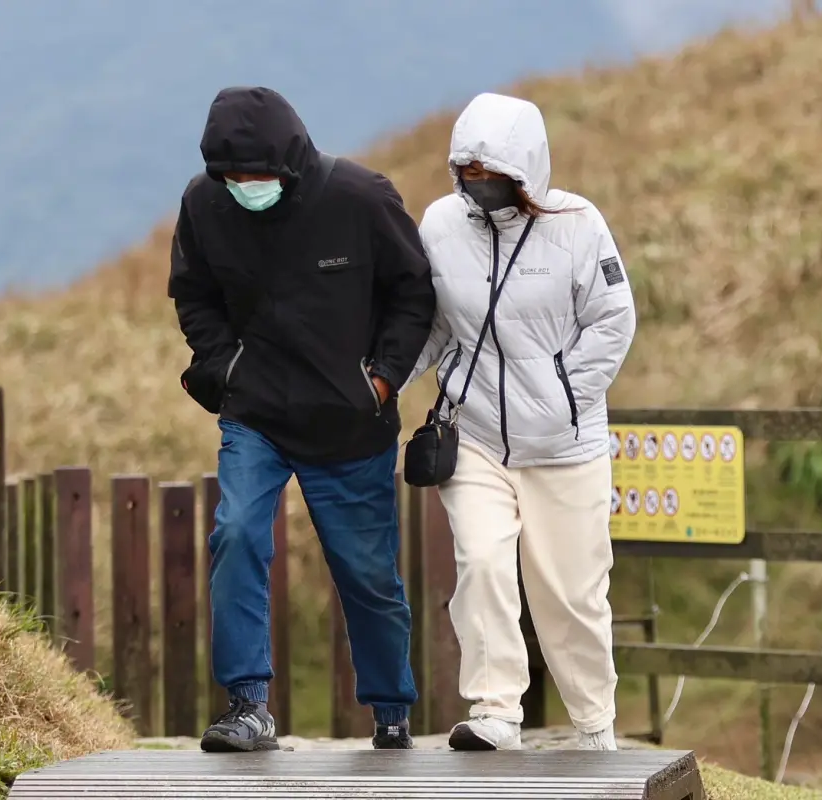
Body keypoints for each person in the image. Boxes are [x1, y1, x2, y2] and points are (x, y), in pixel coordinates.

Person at [167, 86, 436, 752]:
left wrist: (380, 381)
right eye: (231, 177)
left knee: (367, 572)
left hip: (349, 420)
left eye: (255, 176)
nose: (243, 187)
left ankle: (391, 710)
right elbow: (193, 293)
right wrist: (224, 366)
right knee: (234, 535)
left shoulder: (360, 197)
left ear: (288, 163)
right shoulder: (204, 202)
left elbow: (414, 294)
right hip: (255, 413)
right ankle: (246, 705)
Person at [402, 92, 637, 751]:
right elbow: (435, 324)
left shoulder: (578, 225)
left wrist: (563, 397)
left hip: (565, 446)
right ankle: (496, 711)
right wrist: (386, 380)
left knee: (570, 595)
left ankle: (593, 723)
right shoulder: (441, 225)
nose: (478, 185)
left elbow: (614, 322)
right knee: (481, 565)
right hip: (473, 436)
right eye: (467, 172)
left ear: (527, 169)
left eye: (493, 173)